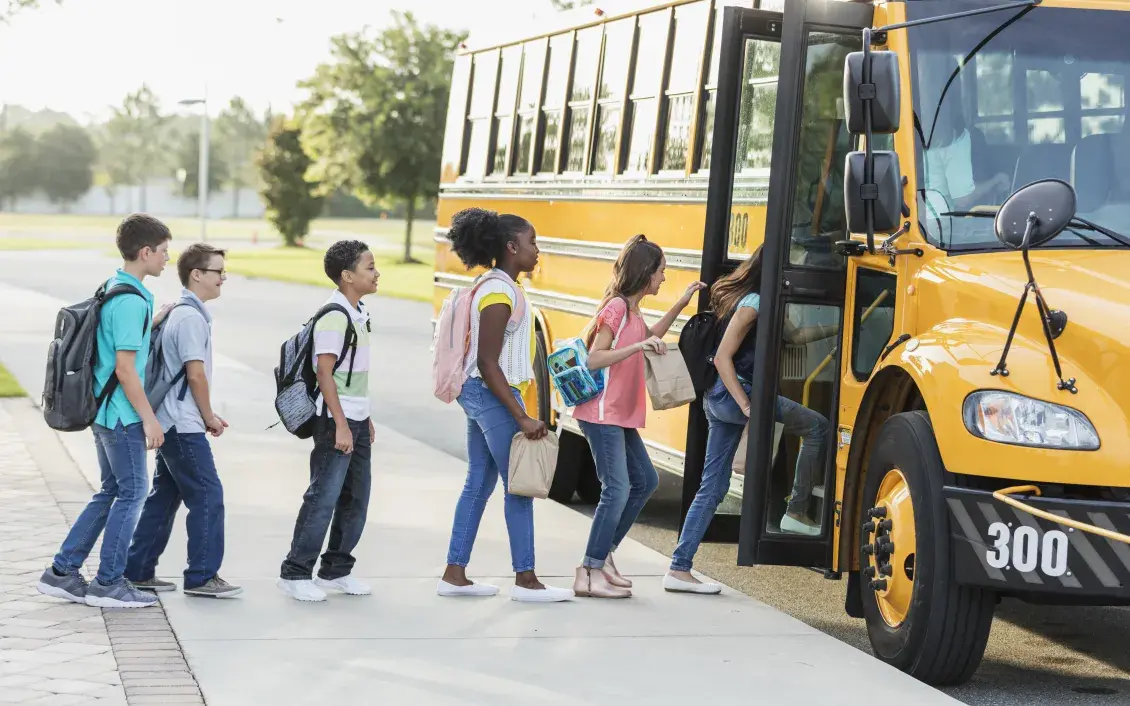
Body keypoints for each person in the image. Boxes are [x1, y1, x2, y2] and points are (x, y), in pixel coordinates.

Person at [665, 246, 833, 594]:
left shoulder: (763, 301)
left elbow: (797, 337)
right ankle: (796, 510)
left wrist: (840, 327)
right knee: (817, 427)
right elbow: (723, 358)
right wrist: (746, 406)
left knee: (713, 486)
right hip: (733, 395)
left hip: (720, 399)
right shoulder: (754, 304)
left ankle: (679, 568)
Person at [437, 207, 572, 603]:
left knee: (480, 481)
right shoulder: (498, 292)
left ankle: (454, 573)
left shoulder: (499, 285)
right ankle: (526, 581)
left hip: (482, 393)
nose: (537, 251)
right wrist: (521, 415)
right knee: (519, 485)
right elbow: (487, 361)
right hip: (490, 393)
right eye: (532, 243)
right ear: (512, 247)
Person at [36, 213, 171, 608]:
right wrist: (150, 419)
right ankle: (108, 582)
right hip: (123, 416)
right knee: (133, 493)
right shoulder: (130, 302)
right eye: (163, 251)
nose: (167, 258)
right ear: (145, 252)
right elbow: (126, 370)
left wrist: (152, 320)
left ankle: (62, 572)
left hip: (102, 411)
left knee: (112, 490)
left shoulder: (114, 287)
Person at [571, 234, 705, 598]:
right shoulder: (615, 307)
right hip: (601, 412)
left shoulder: (633, 309)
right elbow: (595, 357)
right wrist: (636, 346)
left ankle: (603, 555)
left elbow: (651, 337)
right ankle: (589, 570)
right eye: (661, 272)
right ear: (646, 273)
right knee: (616, 489)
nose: (663, 278)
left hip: (621, 413)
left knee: (645, 481)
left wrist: (681, 303)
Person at [124, 243, 240, 598]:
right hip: (183, 424)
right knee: (208, 495)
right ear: (197, 274)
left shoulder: (180, 310)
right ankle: (202, 576)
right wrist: (209, 417)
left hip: (171, 420)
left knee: (164, 498)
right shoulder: (190, 318)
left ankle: (139, 570)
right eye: (218, 271)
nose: (224, 277)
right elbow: (195, 376)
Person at [278, 240, 379, 602]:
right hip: (334, 421)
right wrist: (340, 424)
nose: (376, 272)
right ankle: (294, 572)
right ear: (347, 276)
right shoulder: (335, 316)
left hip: (355, 417)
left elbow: (353, 376)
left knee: (356, 498)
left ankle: (336, 571)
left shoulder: (358, 312)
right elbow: (324, 373)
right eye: (369, 267)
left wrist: (364, 418)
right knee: (323, 497)